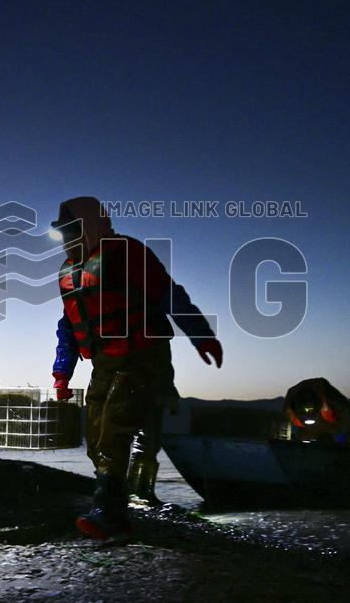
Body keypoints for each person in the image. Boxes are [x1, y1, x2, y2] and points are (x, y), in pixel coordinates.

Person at [50, 196, 223, 541]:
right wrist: (61, 373)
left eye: (71, 230)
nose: (66, 239)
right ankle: (115, 514)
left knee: (115, 429)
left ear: (89, 226)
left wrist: (201, 335)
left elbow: (169, 294)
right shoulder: (69, 273)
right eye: (63, 232)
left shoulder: (126, 252)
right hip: (104, 361)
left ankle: (108, 515)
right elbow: (68, 325)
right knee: (96, 437)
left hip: (143, 355)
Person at [283, 377, 350, 444]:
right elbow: (288, 423)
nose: (309, 413)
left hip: (334, 426)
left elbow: (345, 411)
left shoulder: (330, 397)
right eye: (306, 411)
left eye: (310, 410)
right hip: (308, 428)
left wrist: (346, 432)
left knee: (342, 438)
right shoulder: (290, 407)